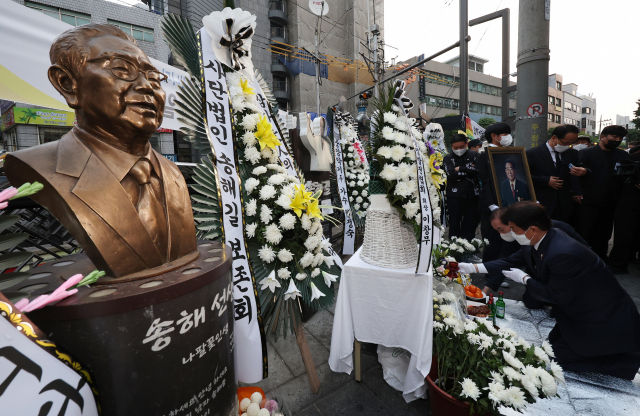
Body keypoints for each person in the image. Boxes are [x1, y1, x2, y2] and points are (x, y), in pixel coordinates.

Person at [4, 24, 198, 279]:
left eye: (153, 78)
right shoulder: (40, 165)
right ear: (67, 84)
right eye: (121, 69)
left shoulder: (172, 173)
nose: (147, 87)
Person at [463, 202, 640, 380]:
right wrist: (470, 267)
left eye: (513, 229)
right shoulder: (538, 239)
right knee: (550, 349)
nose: (511, 233)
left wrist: (525, 279)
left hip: (601, 317)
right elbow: (509, 261)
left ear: (531, 229)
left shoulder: (562, 253)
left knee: (560, 361)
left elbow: (554, 295)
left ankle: (626, 363)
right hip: (576, 311)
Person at [478, 204, 589, 302]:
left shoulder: (559, 230)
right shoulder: (512, 237)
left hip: (564, 274)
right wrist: (484, 290)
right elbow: (507, 261)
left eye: (501, 229)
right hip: (536, 271)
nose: (500, 233)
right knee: (531, 302)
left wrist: (525, 278)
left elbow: (584, 251)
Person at [576, 125, 631, 261]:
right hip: (588, 199)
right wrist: (576, 193)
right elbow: (574, 175)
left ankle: (600, 257)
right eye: (614, 137)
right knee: (584, 230)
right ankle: (582, 258)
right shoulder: (586, 153)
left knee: (604, 232)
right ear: (602, 137)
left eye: (620, 138)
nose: (617, 140)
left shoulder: (622, 155)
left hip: (612, 200)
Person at [526, 125, 586, 222]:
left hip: (565, 204)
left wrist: (583, 171)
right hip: (543, 202)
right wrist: (546, 180)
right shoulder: (533, 154)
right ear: (554, 138)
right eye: (565, 143)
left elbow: (580, 169)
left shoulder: (572, 153)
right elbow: (524, 176)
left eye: (571, 143)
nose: (568, 146)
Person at [477, 122, 513, 287]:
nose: (507, 137)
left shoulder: (511, 153)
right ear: (494, 136)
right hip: (492, 206)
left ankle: (502, 272)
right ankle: (491, 275)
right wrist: (492, 205)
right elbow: (485, 182)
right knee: (492, 240)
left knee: (508, 240)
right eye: (505, 134)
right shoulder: (484, 154)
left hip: (509, 203)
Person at [443, 133, 480, 240]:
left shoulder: (474, 155)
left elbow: (478, 170)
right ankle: (454, 249)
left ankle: (469, 249)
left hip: (472, 195)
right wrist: (469, 169)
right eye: (455, 148)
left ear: (466, 144)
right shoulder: (448, 158)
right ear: (451, 147)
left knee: (471, 223)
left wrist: (461, 169)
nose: (459, 149)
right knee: (454, 223)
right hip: (454, 196)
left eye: (461, 147)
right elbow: (451, 175)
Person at [608, 150, 640, 274]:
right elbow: (617, 182)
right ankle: (618, 264)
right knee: (624, 236)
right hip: (629, 203)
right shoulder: (632, 159)